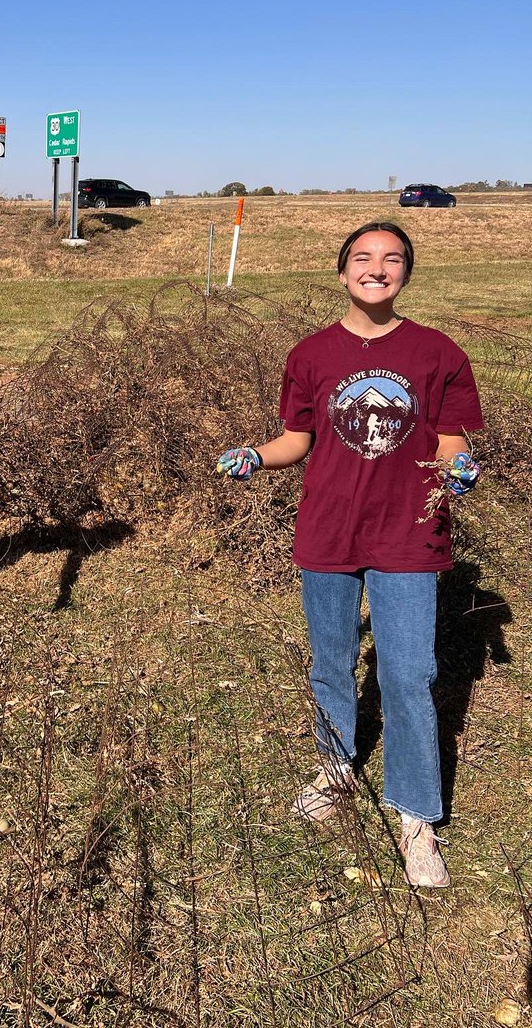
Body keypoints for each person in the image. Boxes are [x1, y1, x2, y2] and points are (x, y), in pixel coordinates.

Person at [217, 222, 483, 888]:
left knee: (410, 672)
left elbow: (450, 442)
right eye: (363, 258)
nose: (377, 268)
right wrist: (256, 455)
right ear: (341, 274)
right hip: (328, 534)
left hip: (408, 536)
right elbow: (295, 440)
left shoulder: (437, 352)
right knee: (332, 661)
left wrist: (460, 468)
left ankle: (418, 818)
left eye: (392, 259)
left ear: (406, 275)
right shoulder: (311, 355)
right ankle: (335, 769)